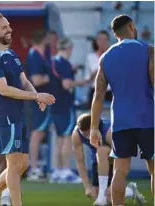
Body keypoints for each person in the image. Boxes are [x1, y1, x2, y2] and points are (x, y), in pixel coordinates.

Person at [0, 12, 55, 206]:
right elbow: (4, 89)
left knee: (23, 164)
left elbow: (23, 80)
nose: (9, 29)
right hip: (5, 116)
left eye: (9, 25)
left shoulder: (12, 53)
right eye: (4, 27)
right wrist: (36, 96)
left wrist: (37, 97)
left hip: (18, 114)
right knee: (13, 165)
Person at [90, 14, 154, 206]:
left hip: (120, 121)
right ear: (132, 26)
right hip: (147, 119)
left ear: (114, 34)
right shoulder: (149, 50)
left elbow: (98, 95)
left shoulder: (106, 57)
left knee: (119, 170)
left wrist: (94, 127)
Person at [72, 113, 145, 206]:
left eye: (88, 133)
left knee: (101, 151)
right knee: (98, 193)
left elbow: (122, 155)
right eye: (84, 134)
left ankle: (102, 198)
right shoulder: (76, 134)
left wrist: (115, 180)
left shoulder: (108, 131)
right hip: (97, 161)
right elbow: (80, 161)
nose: (86, 137)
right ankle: (130, 190)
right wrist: (87, 187)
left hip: (114, 158)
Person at [49, 38, 92, 183]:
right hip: (65, 105)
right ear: (69, 49)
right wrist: (82, 82)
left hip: (54, 105)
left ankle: (57, 171)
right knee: (66, 138)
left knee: (59, 139)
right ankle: (66, 171)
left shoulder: (53, 61)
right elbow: (67, 84)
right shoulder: (64, 64)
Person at [25, 29, 52, 181]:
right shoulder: (35, 55)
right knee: (36, 134)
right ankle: (33, 168)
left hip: (42, 100)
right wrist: (49, 78)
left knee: (39, 134)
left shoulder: (41, 54)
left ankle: (33, 167)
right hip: (37, 100)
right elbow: (36, 80)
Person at [86, 30, 112, 105]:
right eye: (100, 40)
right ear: (96, 41)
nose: (102, 42)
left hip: (110, 91)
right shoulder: (90, 57)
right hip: (95, 90)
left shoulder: (112, 56)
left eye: (104, 40)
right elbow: (90, 76)